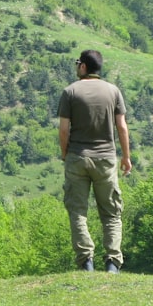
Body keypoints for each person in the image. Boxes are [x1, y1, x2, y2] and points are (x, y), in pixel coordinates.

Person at [57, 49, 132, 273]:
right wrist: (126, 157)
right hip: (106, 159)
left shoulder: (69, 92)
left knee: (78, 211)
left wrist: (65, 153)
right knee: (111, 213)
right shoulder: (113, 91)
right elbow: (122, 127)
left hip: (77, 158)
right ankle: (112, 263)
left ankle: (86, 262)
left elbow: (63, 130)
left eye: (77, 63)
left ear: (83, 67)